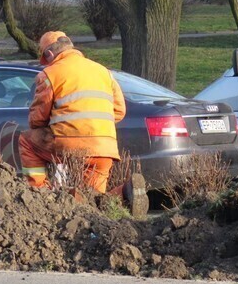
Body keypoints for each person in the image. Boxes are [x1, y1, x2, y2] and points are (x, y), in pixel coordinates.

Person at [18, 31, 148, 217]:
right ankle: (125, 193)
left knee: (26, 140)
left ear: (49, 55)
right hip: (104, 148)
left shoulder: (50, 73)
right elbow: (119, 111)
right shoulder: (103, 71)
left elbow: (38, 119)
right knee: (91, 200)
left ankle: (40, 195)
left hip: (68, 143)